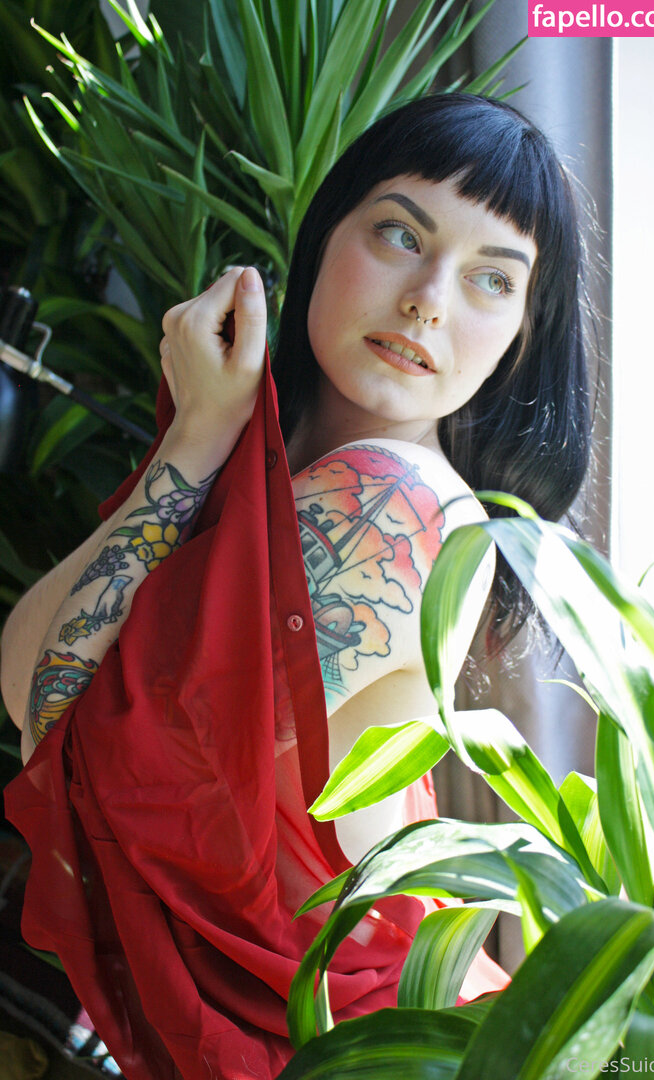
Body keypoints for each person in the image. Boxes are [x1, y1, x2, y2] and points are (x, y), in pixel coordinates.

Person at [1, 92, 590, 1079]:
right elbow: (29, 669)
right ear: (325, 237)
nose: (429, 299)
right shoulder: (274, 455)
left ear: (521, 339)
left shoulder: (394, 503)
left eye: (492, 279)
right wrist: (206, 435)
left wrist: (196, 437)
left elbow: (57, 724)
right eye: (401, 234)